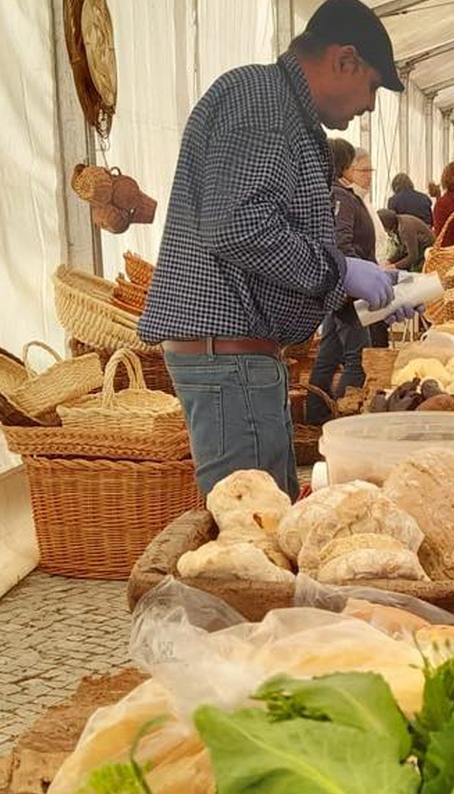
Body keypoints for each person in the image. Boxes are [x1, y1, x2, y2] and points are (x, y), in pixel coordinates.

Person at [140, 0, 405, 498]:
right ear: (344, 60)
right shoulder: (262, 102)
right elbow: (237, 224)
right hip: (228, 355)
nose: (370, 105)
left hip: (239, 356)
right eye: (372, 86)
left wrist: (345, 293)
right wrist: (338, 273)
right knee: (250, 530)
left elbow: (263, 232)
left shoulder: (279, 106)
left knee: (267, 517)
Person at [307, 137, 377, 423]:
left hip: (338, 288)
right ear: (345, 167)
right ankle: (345, 417)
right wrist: (357, 277)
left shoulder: (332, 194)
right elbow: (342, 241)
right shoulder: (342, 197)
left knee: (328, 354)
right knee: (357, 358)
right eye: (358, 167)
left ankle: (314, 416)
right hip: (348, 290)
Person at [379, 207, 431, 272]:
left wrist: (393, 266)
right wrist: (389, 261)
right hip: (419, 251)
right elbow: (401, 249)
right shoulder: (398, 222)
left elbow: (413, 256)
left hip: (426, 254)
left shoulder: (405, 229)